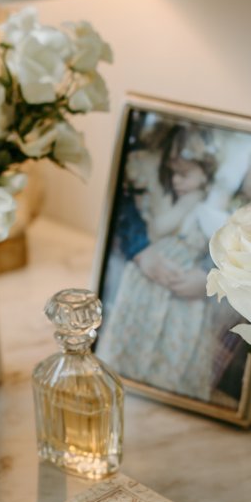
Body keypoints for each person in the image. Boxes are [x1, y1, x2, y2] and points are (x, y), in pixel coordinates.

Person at [97, 129, 218, 398]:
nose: (176, 181)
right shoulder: (176, 198)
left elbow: (163, 228)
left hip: (180, 280)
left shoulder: (203, 206)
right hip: (153, 278)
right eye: (173, 173)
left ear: (205, 174)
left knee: (175, 338)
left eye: (184, 174)